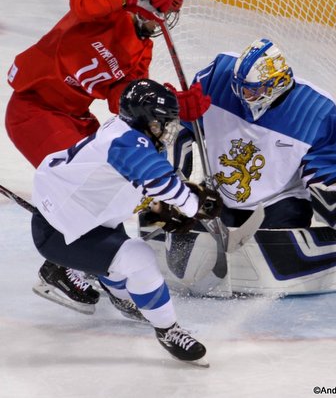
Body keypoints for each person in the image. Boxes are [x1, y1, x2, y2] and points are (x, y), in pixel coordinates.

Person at [5, 0, 211, 317]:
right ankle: (57, 265)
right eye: (160, 12)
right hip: (35, 110)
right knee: (73, 185)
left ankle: (101, 263)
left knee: (106, 183)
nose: (161, 23)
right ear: (144, 0)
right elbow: (84, 2)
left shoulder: (141, 47)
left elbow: (123, 99)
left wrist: (172, 103)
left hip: (75, 117)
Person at [165, 38, 336, 293]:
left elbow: (328, 162)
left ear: (278, 84)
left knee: (277, 247)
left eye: (252, 90)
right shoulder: (218, 77)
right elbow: (183, 128)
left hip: (281, 201)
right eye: (239, 87)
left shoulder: (314, 109)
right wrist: (175, 182)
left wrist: (332, 199)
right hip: (220, 194)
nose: (243, 96)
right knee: (182, 229)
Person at [30, 79, 221, 366]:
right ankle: (168, 331)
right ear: (145, 120)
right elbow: (159, 181)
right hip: (61, 233)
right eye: (161, 123)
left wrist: (167, 204)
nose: (166, 130)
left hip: (83, 217)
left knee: (120, 267)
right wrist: (195, 206)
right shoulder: (125, 141)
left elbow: (148, 181)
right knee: (139, 258)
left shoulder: (123, 131)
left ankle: (119, 295)